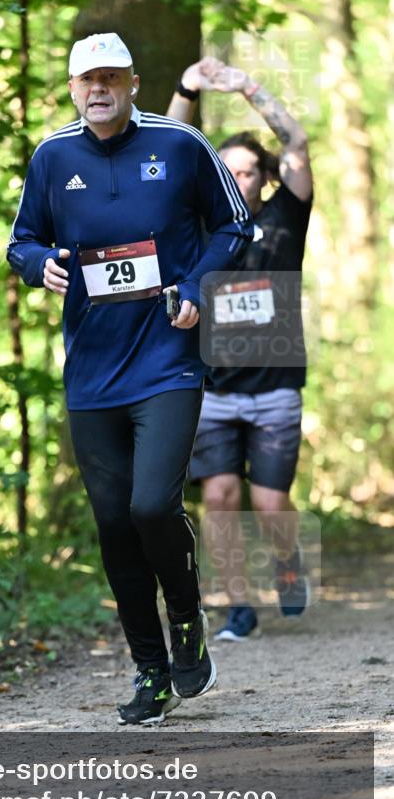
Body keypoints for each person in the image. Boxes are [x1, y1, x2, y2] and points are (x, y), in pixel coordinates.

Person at [7, 33, 253, 723]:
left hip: (167, 360)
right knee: (114, 525)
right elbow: (19, 240)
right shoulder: (53, 156)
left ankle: (185, 616)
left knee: (151, 507)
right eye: (87, 79)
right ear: (71, 87)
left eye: (110, 77)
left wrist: (197, 286)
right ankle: (150, 670)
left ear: (133, 82)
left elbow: (232, 226)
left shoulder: (179, 145)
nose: (98, 89)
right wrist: (37, 266)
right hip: (90, 372)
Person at [167, 57, 313, 642]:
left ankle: (288, 561)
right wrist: (188, 87)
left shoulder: (285, 219)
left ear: (265, 178)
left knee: (271, 502)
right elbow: (171, 149)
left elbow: (297, 139)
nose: (238, 180)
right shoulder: (198, 230)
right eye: (226, 172)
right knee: (222, 497)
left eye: (249, 171)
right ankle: (237, 607)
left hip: (276, 387)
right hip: (216, 390)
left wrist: (246, 86)